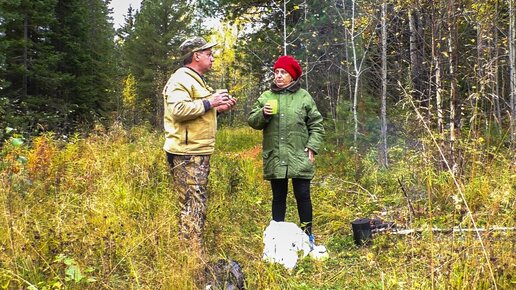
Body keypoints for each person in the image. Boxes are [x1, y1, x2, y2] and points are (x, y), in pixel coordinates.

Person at [162, 36, 236, 249]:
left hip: (195, 151)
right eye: (209, 54)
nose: (212, 58)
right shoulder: (181, 79)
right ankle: (191, 254)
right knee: (193, 204)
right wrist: (210, 101)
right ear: (196, 56)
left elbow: (196, 112)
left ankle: (190, 249)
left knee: (193, 202)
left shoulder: (195, 80)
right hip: (187, 154)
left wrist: (216, 109)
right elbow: (178, 111)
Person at [247, 55, 325, 247]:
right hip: (275, 155)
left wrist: (313, 146)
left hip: (299, 154)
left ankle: (308, 236)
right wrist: (262, 114)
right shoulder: (266, 97)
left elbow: (316, 124)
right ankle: (277, 236)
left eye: (283, 72)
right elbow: (252, 121)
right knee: (278, 196)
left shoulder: (304, 96)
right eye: (276, 72)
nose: (278, 76)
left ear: (292, 76)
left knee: (303, 195)